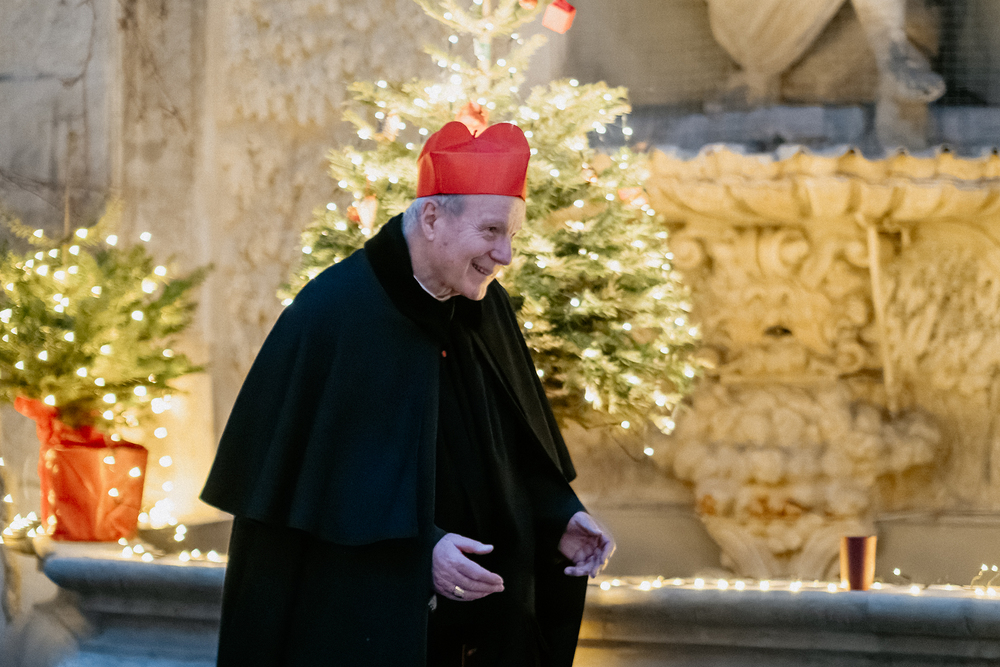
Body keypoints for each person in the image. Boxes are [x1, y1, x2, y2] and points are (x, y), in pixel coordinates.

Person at [201, 120, 614, 667]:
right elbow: (319, 498)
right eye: (492, 231)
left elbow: (508, 451)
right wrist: (421, 551)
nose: (505, 255)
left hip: (479, 636)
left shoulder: (484, 304)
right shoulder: (334, 314)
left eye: (513, 235)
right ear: (433, 217)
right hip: (363, 630)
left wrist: (558, 516)